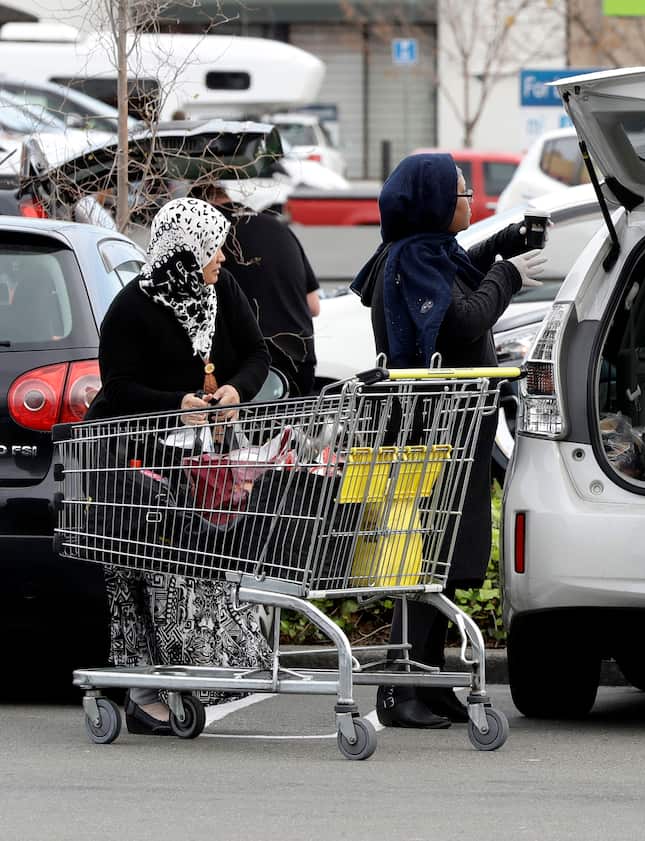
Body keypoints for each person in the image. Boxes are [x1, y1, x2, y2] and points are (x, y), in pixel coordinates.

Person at [351, 153, 545, 728]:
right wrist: (507, 276)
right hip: (426, 432)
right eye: (462, 193)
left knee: (437, 553)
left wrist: (503, 244)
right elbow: (461, 320)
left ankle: (427, 681)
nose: (470, 202)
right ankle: (402, 687)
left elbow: (460, 269)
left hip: (442, 430)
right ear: (434, 202)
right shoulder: (415, 254)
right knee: (417, 554)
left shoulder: (422, 250)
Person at [86, 197, 274, 735]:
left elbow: (258, 354)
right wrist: (176, 402)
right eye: (211, 247)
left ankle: (185, 680)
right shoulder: (132, 310)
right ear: (183, 253)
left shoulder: (221, 293)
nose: (221, 258)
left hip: (198, 456)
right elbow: (118, 389)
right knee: (140, 569)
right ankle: (143, 694)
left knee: (194, 563)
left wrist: (237, 389)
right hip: (131, 454)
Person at [195, 182, 322, 395]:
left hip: (248, 368)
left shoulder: (210, 236)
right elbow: (314, 306)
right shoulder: (278, 227)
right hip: (300, 361)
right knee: (290, 427)